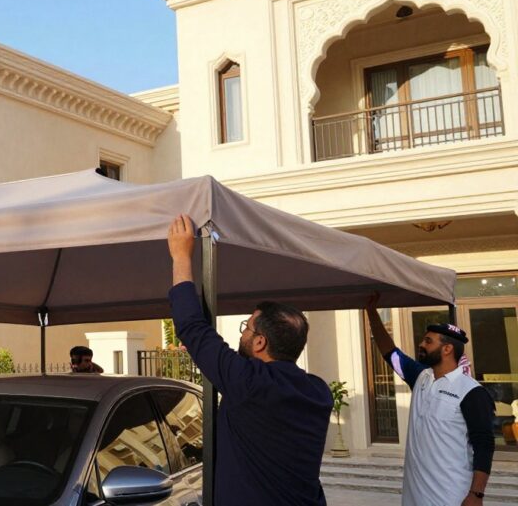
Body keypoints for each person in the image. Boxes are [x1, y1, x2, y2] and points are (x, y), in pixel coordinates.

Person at [167, 214, 333, 506]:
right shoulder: (318, 392)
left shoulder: (249, 383)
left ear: (260, 342)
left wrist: (181, 255)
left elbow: (192, 326)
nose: (243, 333)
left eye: (248, 327)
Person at [365, 294, 494, 506]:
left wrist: (476, 494)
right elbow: (390, 353)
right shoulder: (420, 377)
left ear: (447, 349)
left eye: (428, 341)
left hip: (451, 496)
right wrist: (372, 314)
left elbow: (484, 445)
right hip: (414, 496)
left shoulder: (471, 392)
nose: (421, 344)